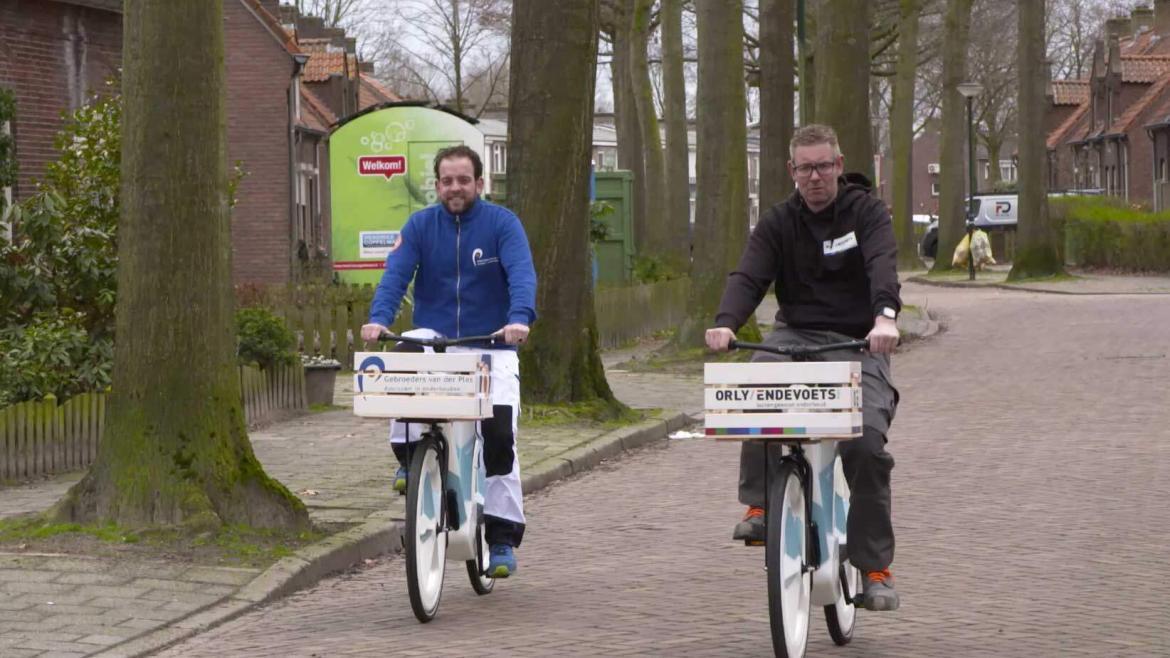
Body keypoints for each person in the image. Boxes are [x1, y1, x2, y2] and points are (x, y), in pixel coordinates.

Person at [704, 124, 902, 611]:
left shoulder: (866, 213)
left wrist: (885, 317)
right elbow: (749, 274)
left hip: (858, 339)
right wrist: (726, 323)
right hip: (796, 336)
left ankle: (874, 567)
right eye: (806, 168)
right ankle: (760, 505)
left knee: (867, 445)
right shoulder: (778, 222)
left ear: (839, 164)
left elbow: (882, 264)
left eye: (824, 166)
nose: (816, 176)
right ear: (792, 172)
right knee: (750, 388)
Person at [361, 145, 537, 578]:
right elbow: (395, 275)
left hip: (490, 343)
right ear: (437, 185)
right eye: (447, 181)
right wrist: (378, 320)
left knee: (499, 435)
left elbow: (521, 273)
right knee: (403, 356)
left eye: (463, 180)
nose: (455, 188)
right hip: (437, 339)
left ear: (480, 183)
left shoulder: (502, 224)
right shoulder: (421, 226)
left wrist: (518, 319)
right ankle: (409, 455)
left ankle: (499, 537)